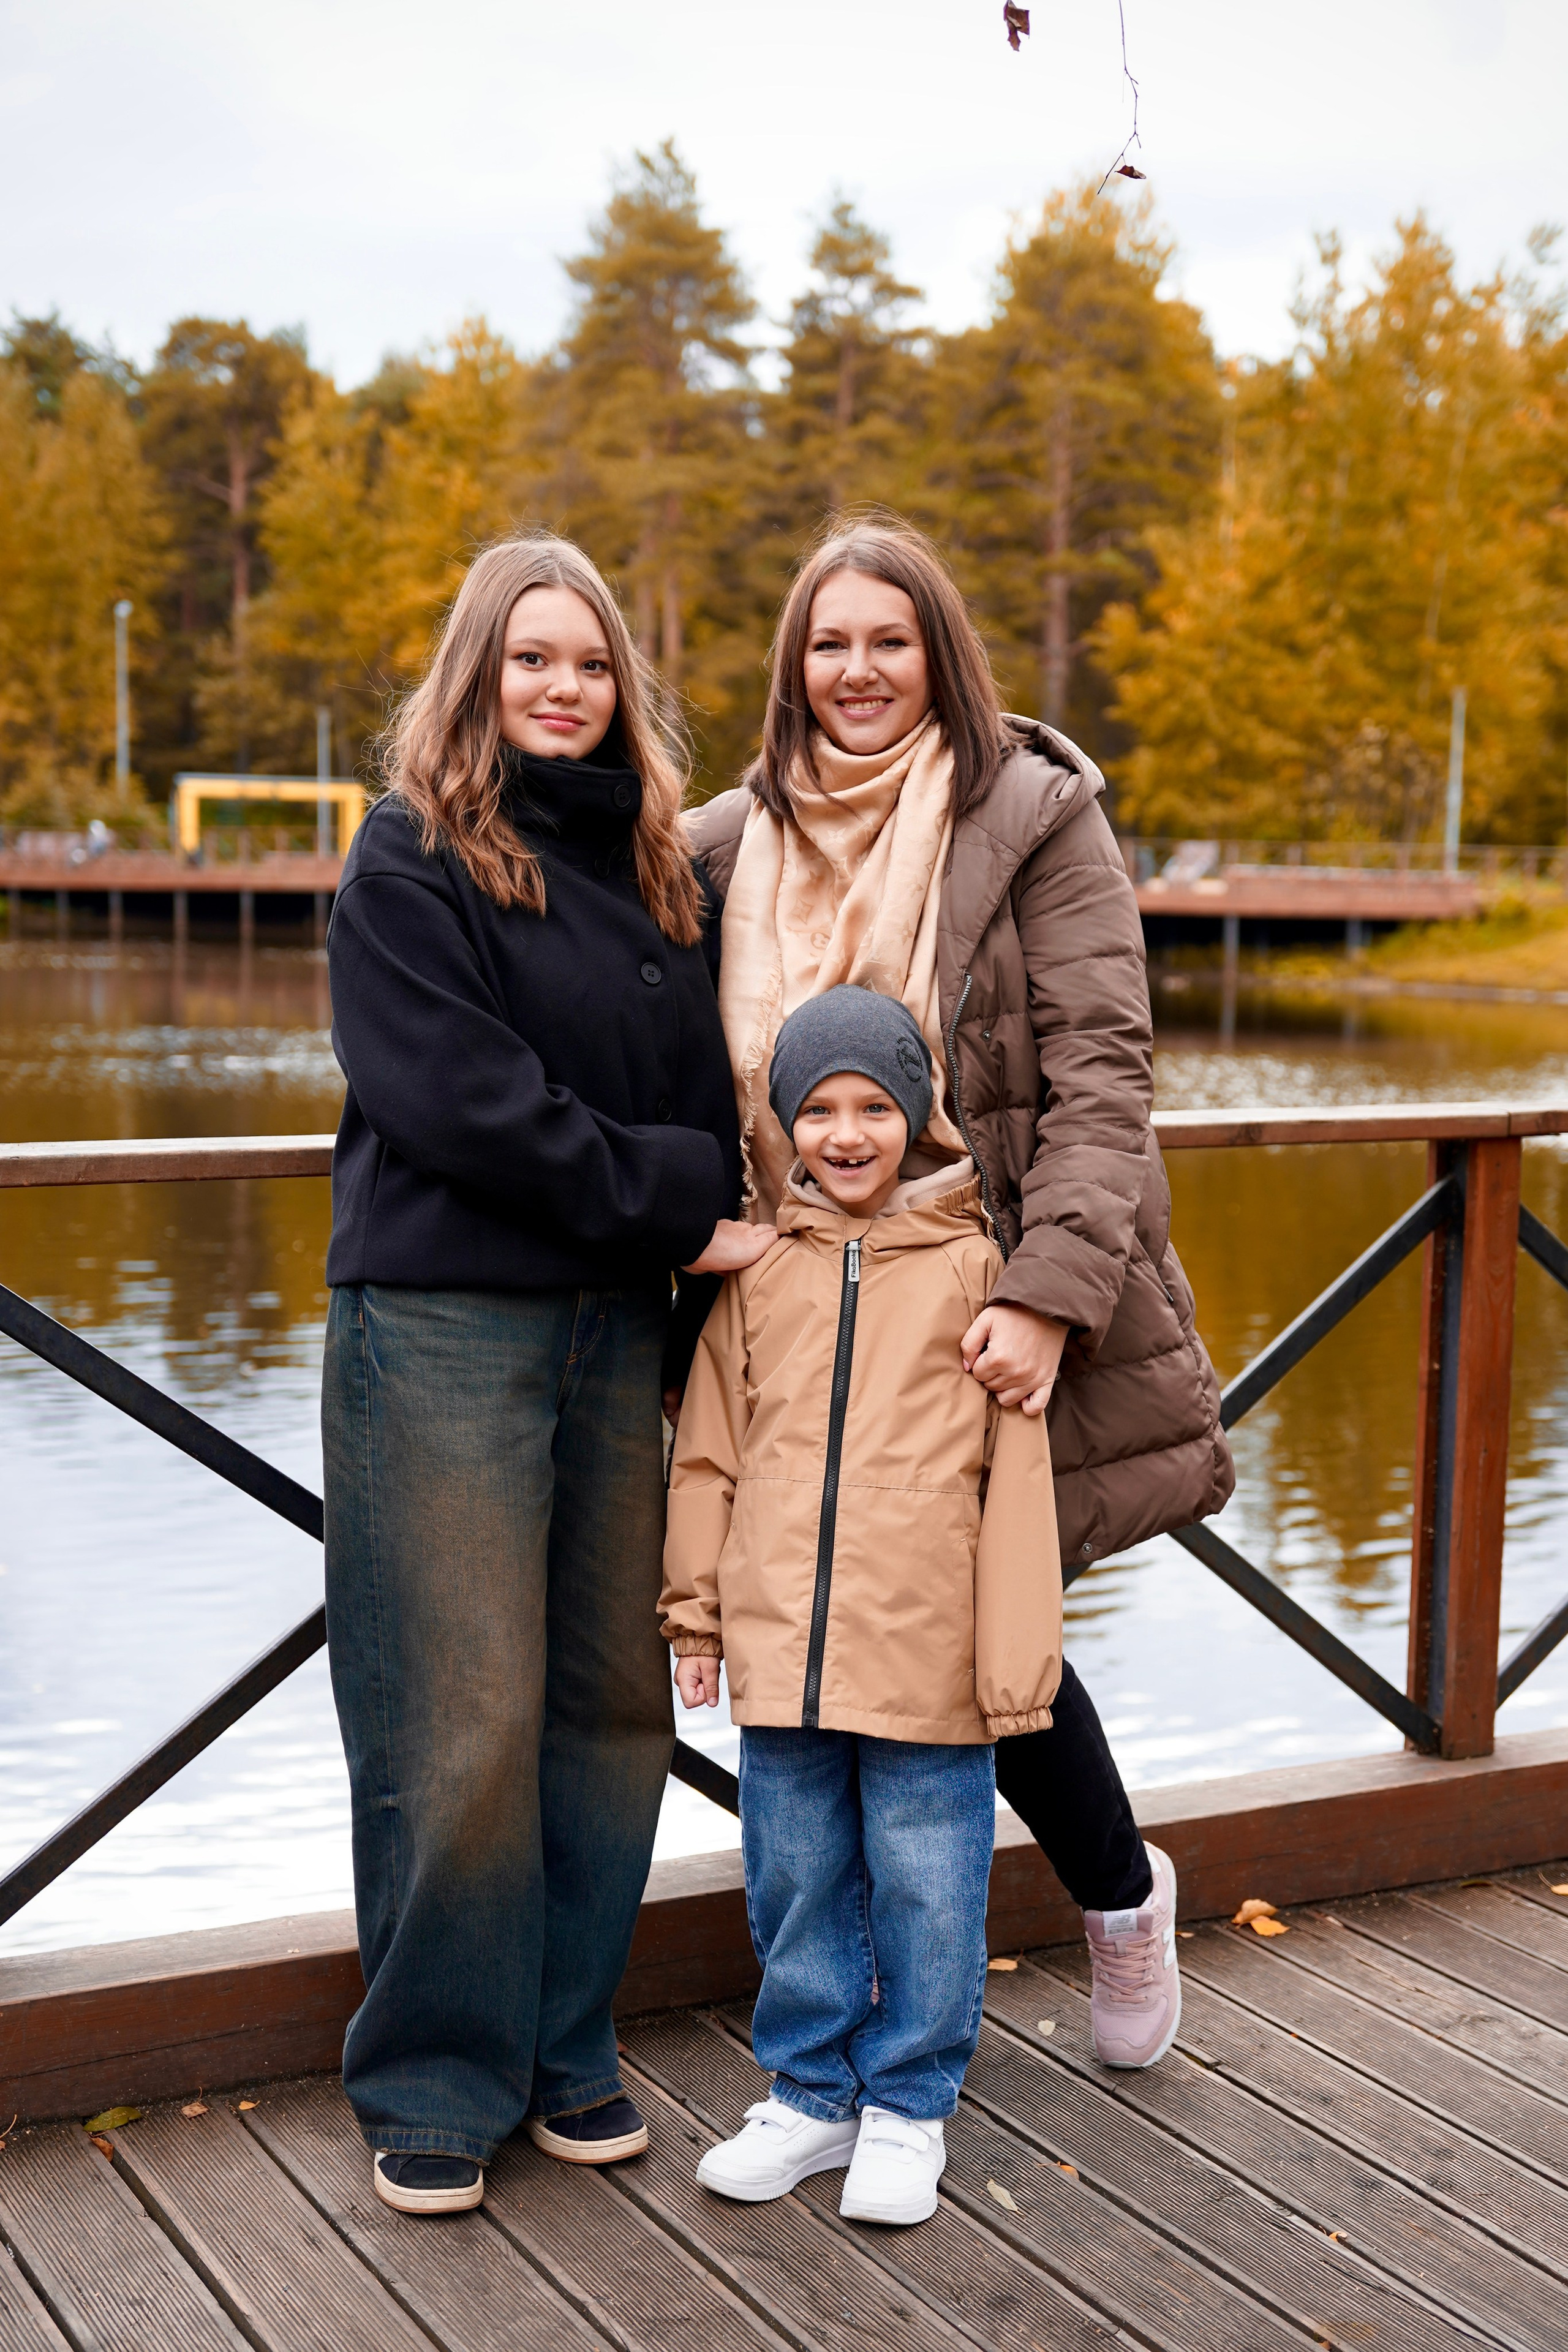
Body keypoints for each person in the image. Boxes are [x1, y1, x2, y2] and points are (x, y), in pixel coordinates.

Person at [682, 518, 1234, 2077]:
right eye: (827, 643)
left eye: (889, 640)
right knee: (811, 1643)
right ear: (793, 664)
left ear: (940, 652)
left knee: (990, 1642)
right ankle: (843, 2027)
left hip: (978, 1289)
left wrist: (1051, 1300)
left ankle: (1118, 1899)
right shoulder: (727, 843)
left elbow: (1104, 1077)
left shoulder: (1035, 817)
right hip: (788, 1298)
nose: (857, 672)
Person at [322, 532, 771, 2216]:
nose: (563, 688)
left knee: (605, 1704)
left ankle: (565, 2042)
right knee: (458, 1714)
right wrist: (686, 1206)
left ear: (621, 688)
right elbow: (458, 1099)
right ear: (476, 677)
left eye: (589, 663)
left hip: (612, 1334)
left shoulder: (667, 872)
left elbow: (717, 1075)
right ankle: (437, 2069)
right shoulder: (409, 858)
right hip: (443, 1324)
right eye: (531, 661)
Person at [663, 985, 1071, 2225]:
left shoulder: (975, 1271)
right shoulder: (760, 1270)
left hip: (927, 1650)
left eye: (875, 1107)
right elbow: (707, 1458)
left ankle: (907, 2105)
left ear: (920, 1117)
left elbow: (1017, 1484)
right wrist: (694, 1615)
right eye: (818, 1111)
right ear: (784, 1125)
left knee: (928, 1881)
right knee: (793, 1873)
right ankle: (806, 2092)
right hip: (783, 1646)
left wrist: (1014, 1660)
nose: (846, 1134)